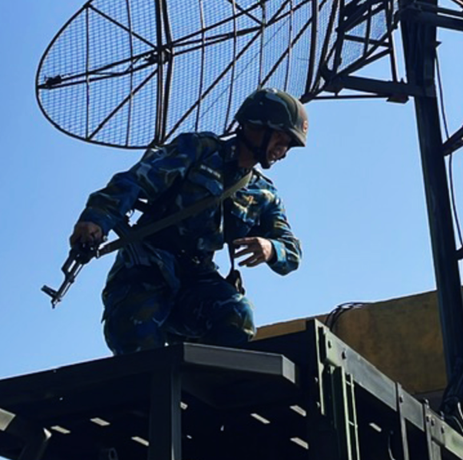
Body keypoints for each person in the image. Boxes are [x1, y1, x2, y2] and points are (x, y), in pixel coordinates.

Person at [68, 88, 307, 354]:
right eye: (280, 139)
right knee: (138, 339)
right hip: (147, 269)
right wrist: (96, 221)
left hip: (196, 280)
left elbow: (292, 250)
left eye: (287, 144)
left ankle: (203, 387)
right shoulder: (198, 150)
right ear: (257, 125)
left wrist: (271, 248)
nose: (282, 151)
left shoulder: (264, 193)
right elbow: (133, 181)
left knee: (237, 315)